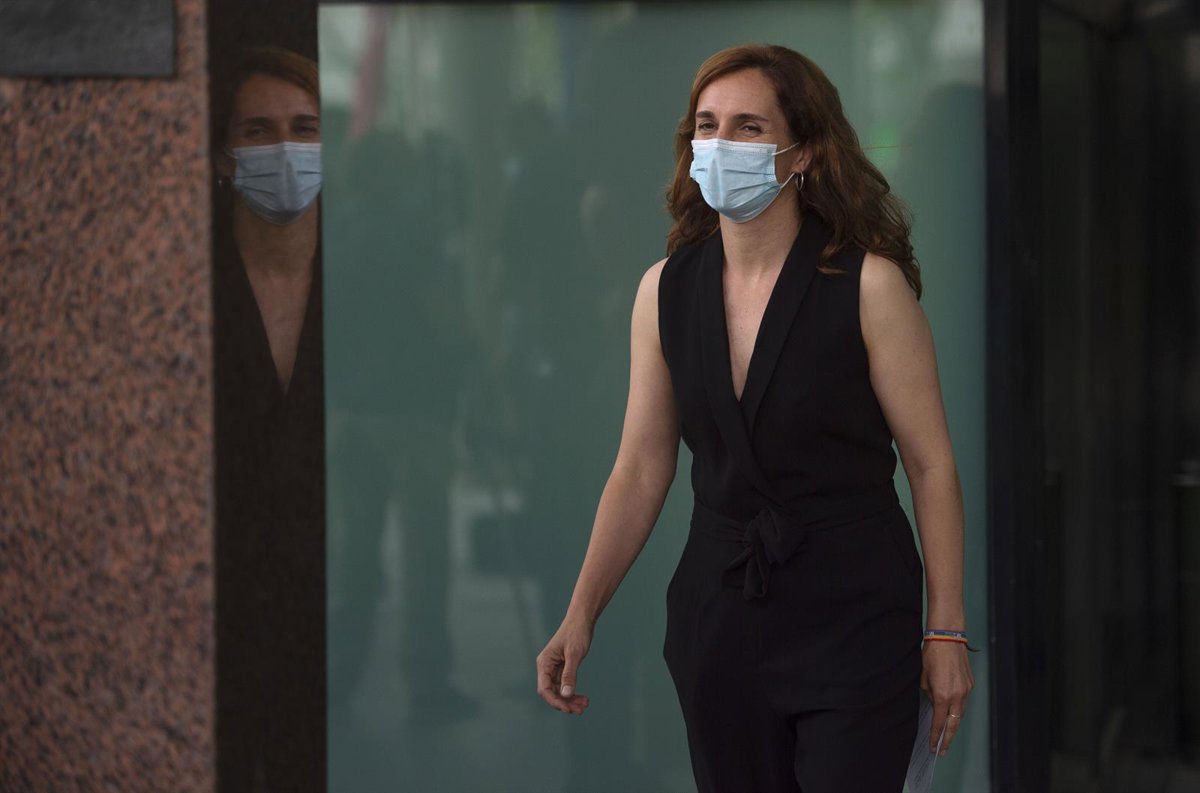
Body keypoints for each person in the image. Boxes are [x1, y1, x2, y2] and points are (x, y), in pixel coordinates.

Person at [535, 43, 976, 791]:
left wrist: (946, 629)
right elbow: (640, 466)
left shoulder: (869, 286)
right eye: (707, 125)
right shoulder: (663, 291)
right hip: (720, 616)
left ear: (802, 152)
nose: (720, 143)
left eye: (748, 126)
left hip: (856, 610)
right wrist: (581, 612)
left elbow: (931, 465)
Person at [211, 45, 326, 793]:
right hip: (217, 598)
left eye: (305, 128)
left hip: (332, 597)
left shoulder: (360, 275)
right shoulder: (191, 283)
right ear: (222, 155)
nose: (285, 149)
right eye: (258, 130)